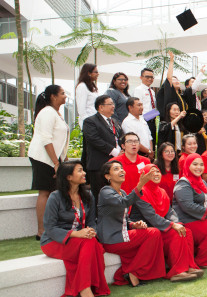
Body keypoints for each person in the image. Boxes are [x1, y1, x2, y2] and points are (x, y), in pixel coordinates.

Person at [40, 161, 110, 297]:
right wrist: (76, 234)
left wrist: (91, 231)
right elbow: (49, 227)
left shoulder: (88, 195)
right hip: (54, 241)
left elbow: (91, 221)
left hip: (81, 240)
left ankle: (84, 288)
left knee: (92, 243)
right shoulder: (55, 197)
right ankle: (86, 289)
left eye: (83, 170)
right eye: (79, 170)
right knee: (92, 245)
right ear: (68, 177)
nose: (84, 173)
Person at [97, 160, 165, 287]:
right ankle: (134, 272)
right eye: (116, 169)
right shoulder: (105, 192)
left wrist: (134, 225)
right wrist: (141, 184)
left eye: (121, 168)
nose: (122, 170)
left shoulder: (122, 192)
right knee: (153, 233)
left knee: (150, 235)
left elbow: (124, 218)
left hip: (121, 235)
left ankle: (128, 273)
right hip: (112, 238)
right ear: (108, 176)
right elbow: (124, 203)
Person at [128, 164, 201, 282]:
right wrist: (172, 225)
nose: (156, 174)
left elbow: (170, 212)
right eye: (152, 172)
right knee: (176, 234)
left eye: (158, 171)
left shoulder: (161, 191)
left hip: (162, 226)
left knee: (186, 231)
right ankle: (178, 271)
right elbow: (151, 217)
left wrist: (176, 223)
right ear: (145, 175)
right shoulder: (140, 193)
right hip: (148, 229)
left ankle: (189, 266)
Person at [29, 85, 70, 239]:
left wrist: (62, 159)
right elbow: (46, 138)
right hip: (43, 158)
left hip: (53, 159)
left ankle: (52, 227)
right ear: (53, 96)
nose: (65, 96)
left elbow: (60, 139)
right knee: (45, 192)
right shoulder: (47, 112)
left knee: (53, 192)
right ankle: (41, 231)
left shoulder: (56, 113)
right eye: (63, 93)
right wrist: (56, 163)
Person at [83, 95, 124, 201]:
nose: (113, 106)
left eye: (113, 104)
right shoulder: (90, 121)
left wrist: (122, 149)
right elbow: (94, 139)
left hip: (115, 164)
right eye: (110, 104)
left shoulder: (115, 122)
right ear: (101, 107)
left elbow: (120, 137)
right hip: (99, 166)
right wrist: (115, 151)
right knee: (100, 197)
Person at [133, 68, 158, 146]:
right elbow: (136, 107)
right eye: (147, 77)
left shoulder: (152, 91)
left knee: (152, 144)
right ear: (141, 77)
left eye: (152, 77)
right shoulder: (138, 90)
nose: (150, 79)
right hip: (144, 120)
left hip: (152, 121)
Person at [76, 63, 99, 128]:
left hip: (95, 121)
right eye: (96, 72)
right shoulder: (82, 86)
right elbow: (81, 109)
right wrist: (89, 123)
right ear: (89, 73)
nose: (98, 74)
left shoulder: (92, 87)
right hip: (89, 123)